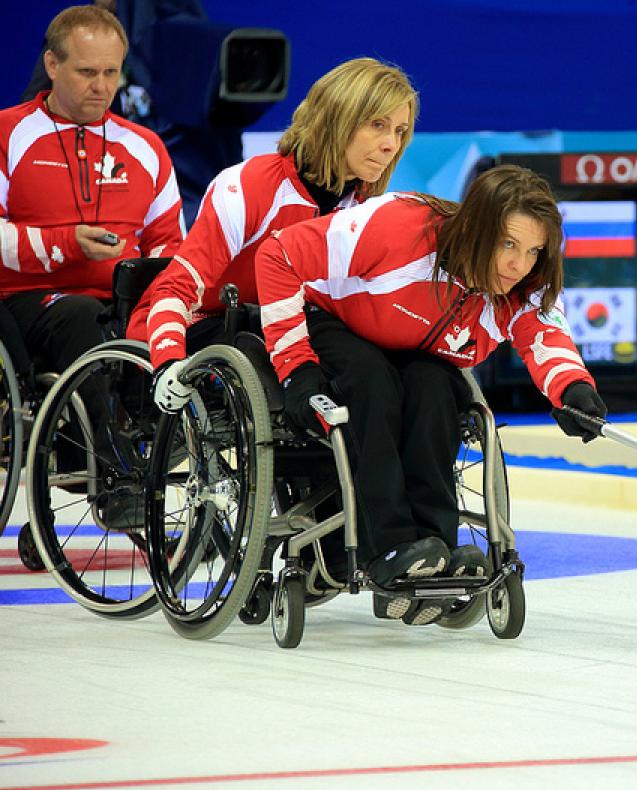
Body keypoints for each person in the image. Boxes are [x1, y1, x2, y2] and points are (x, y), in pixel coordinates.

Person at [252, 165, 606, 624]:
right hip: (336, 321)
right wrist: (296, 367)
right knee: (371, 384)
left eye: (534, 251)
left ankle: (433, 551)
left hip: (415, 350)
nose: (520, 265)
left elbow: (544, 335)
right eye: (508, 245)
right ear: (477, 230)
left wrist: (572, 389)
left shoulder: (521, 287)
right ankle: (390, 546)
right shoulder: (397, 228)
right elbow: (278, 254)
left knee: (437, 390)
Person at [137, 56, 417, 403]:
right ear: (337, 120)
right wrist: (167, 362)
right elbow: (174, 287)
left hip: (291, 329)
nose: (391, 144)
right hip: (208, 326)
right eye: (378, 125)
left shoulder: (366, 208)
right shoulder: (250, 186)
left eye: (400, 131)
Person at [0, 5, 183, 528]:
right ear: (52, 65)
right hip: (31, 302)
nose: (101, 87)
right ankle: (116, 476)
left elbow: (170, 242)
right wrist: (66, 245)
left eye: (111, 72)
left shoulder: (145, 147)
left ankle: (160, 441)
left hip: (122, 303)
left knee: (166, 320)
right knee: (85, 317)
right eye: (86, 72)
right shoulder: (8, 134)